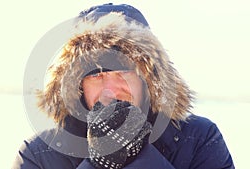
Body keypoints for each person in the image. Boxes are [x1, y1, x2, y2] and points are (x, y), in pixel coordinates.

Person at [14, 3, 234, 169]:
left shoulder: (198, 139)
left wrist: (140, 157)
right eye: (96, 75)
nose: (110, 90)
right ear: (77, 84)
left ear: (149, 80)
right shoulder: (40, 154)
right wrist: (98, 162)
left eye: (124, 72)